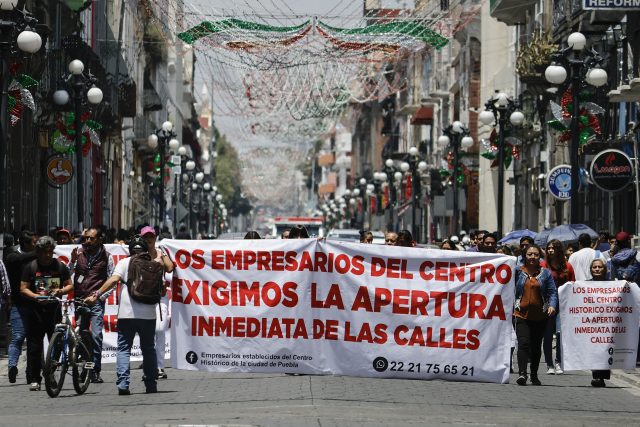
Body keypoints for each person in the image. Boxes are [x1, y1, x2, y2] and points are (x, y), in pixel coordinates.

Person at [85, 237, 160, 395]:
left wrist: (97, 294)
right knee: (148, 349)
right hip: (149, 314)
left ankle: (123, 384)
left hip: (127, 314)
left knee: (124, 349)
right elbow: (163, 291)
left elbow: (113, 280)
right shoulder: (154, 264)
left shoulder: (125, 262)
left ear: (131, 249)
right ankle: (151, 384)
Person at [20, 236, 74, 391]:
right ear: (38, 252)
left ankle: (50, 374)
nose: (48, 255)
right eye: (44, 252)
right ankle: (35, 379)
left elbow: (70, 285)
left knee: (56, 344)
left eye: (50, 252)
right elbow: (23, 288)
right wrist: (36, 297)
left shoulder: (60, 266)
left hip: (54, 311)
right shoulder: (31, 267)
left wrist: (61, 291)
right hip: (36, 312)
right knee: (34, 347)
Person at [68, 227, 114, 384]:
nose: (87, 241)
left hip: (96, 302)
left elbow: (112, 282)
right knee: (81, 335)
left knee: (95, 335)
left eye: (91, 238)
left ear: (99, 239)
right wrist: (72, 261)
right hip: (80, 300)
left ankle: (94, 370)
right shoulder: (79, 255)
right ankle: (83, 366)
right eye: (86, 238)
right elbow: (66, 276)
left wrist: (99, 297)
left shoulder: (107, 257)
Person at [514, 244, 558, 386]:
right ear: (524, 256)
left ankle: (533, 374)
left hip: (540, 316)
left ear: (540, 256)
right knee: (523, 343)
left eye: (536, 254)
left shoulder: (545, 273)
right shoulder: (517, 271)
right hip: (521, 314)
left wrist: (552, 305)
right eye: (529, 254)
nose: (532, 257)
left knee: (535, 345)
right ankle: (522, 374)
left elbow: (552, 292)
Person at [141, 226, 175, 380]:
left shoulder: (161, 252)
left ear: (155, 238)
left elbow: (169, 268)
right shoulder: (138, 254)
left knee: (160, 330)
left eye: (151, 237)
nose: (148, 240)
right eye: (145, 237)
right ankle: (150, 365)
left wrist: (162, 254)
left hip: (159, 297)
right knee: (147, 332)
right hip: (142, 297)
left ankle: (159, 366)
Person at [4, 230, 37, 384]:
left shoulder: (40, 257)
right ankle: (12, 366)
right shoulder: (13, 255)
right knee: (18, 336)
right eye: (33, 243)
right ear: (24, 243)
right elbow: (15, 260)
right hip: (19, 304)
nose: (35, 246)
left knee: (33, 340)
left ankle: (31, 372)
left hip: (36, 303)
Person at [541, 239, 575, 375]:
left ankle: (558, 362)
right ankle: (549, 364)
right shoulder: (543, 266)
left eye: (553, 248)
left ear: (559, 250)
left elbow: (573, 284)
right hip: (547, 304)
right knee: (548, 335)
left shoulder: (568, 266)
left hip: (563, 305)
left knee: (561, 334)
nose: (550, 250)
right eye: (548, 248)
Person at [588, 259, 611, 387]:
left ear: (605, 269)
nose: (597, 269)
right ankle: (597, 376)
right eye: (594, 267)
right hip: (591, 323)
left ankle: (602, 376)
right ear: (591, 270)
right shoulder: (584, 285)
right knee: (594, 349)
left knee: (605, 349)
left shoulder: (612, 285)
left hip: (607, 323)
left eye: (600, 267)